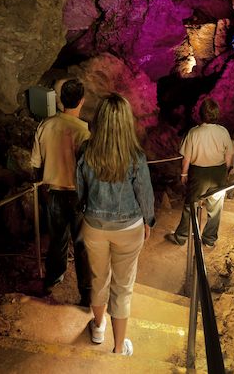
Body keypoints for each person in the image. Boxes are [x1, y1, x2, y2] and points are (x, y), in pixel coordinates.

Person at [76, 93, 155, 356]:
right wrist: (148, 221)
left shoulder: (87, 151)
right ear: (126, 122)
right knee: (122, 287)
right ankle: (119, 348)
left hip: (95, 225)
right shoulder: (135, 156)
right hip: (128, 227)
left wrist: (85, 210)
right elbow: (144, 193)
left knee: (99, 279)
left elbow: (80, 190)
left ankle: (98, 328)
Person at [31, 78, 91, 304]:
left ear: (60, 100)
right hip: (77, 196)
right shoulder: (83, 132)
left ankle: (52, 279)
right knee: (82, 244)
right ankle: (86, 293)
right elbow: (88, 170)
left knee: (57, 240)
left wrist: (41, 187)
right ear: (82, 101)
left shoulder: (45, 125)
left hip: (53, 192)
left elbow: (35, 163)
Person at [165, 98, 233, 248]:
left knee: (191, 206)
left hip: (199, 174)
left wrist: (184, 174)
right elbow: (228, 156)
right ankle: (209, 239)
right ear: (216, 114)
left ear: (201, 114)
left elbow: (186, 158)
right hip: (218, 172)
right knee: (215, 208)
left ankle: (181, 237)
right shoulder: (223, 132)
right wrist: (226, 171)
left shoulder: (193, 133)